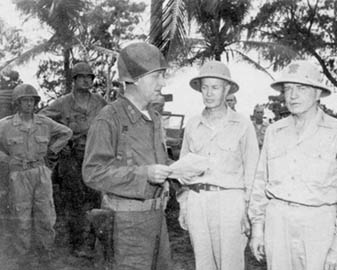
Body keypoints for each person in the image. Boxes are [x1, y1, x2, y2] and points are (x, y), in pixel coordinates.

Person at [249, 60, 337, 270]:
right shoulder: (275, 131)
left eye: (301, 88)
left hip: (318, 224)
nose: (292, 96)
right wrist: (257, 229)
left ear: (318, 93)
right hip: (278, 222)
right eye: (288, 89)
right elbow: (260, 182)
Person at [82, 42, 172, 270]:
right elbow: (93, 172)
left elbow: (155, 161)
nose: (163, 83)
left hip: (157, 221)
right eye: (157, 77)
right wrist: (145, 175)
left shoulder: (153, 117)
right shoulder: (109, 118)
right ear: (136, 79)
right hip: (127, 227)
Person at [177, 61, 259, 270]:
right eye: (205, 87)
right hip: (198, 201)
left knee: (230, 265)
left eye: (215, 87)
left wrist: (249, 212)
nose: (209, 93)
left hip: (230, 202)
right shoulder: (193, 124)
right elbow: (184, 169)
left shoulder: (242, 124)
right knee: (203, 265)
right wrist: (184, 206)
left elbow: (253, 172)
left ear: (227, 89)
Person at [0, 84, 72, 269]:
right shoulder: (6, 125)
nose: (29, 104)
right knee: (21, 216)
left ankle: (45, 252)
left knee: (46, 214)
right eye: (25, 100)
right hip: (19, 175)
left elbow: (67, 133)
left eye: (32, 100)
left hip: (41, 173)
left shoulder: (44, 123)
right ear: (17, 103)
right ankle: (23, 254)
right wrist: (6, 159)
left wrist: (52, 151)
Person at [40, 62, 107, 257]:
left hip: (95, 155)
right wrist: (62, 136)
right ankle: (77, 244)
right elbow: (42, 119)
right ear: (74, 80)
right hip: (71, 158)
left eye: (90, 77)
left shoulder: (100, 102)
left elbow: (113, 119)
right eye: (82, 77)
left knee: (96, 199)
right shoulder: (63, 103)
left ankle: (92, 242)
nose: (86, 80)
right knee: (74, 202)